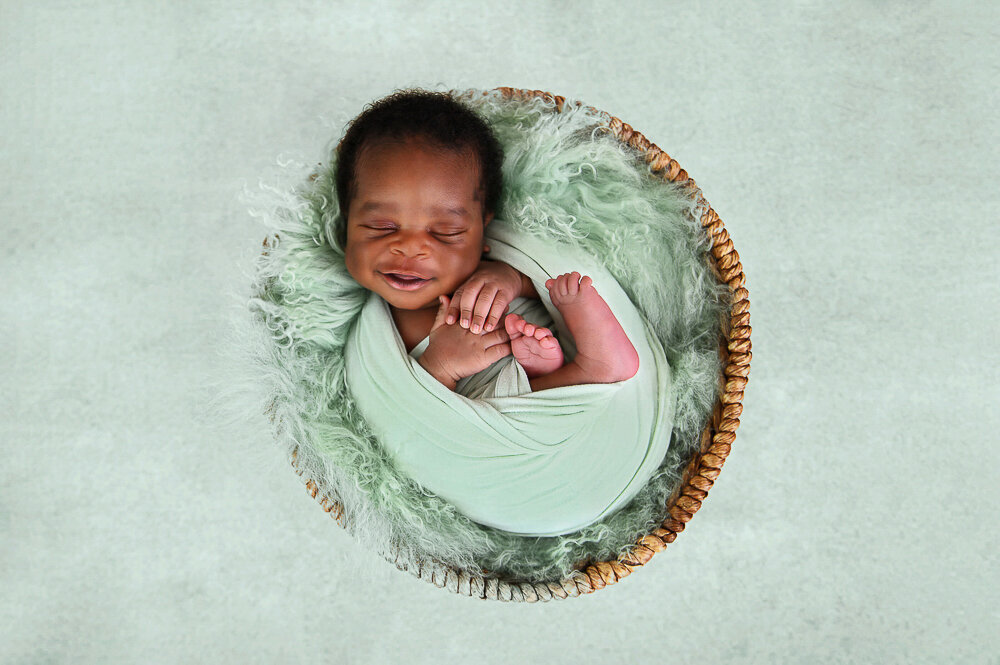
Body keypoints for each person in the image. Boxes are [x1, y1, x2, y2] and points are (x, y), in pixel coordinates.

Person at [337, 89, 639, 393]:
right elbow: (400, 413)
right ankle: (574, 372)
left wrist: (512, 279)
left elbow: (545, 272)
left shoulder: (493, 269)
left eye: (446, 231)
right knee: (500, 397)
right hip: (479, 421)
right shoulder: (360, 333)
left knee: (558, 301)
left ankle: (585, 366)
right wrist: (438, 368)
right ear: (345, 220)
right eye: (382, 226)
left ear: (483, 232)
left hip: (530, 377)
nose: (411, 248)